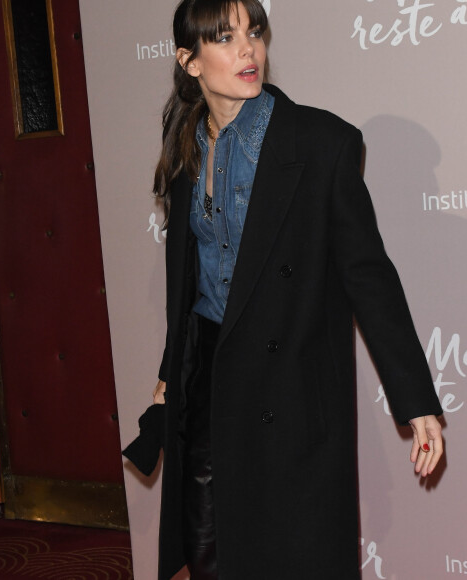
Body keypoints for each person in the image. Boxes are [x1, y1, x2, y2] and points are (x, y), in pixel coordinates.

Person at [138, 0, 444, 578]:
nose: (248, 49)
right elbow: (193, 279)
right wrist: (167, 376)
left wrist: (416, 401)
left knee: (291, 556)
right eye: (225, 39)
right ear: (190, 61)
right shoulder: (183, 145)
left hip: (292, 387)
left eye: (254, 32)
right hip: (210, 380)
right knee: (211, 550)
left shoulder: (322, 143)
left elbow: (368, 275)